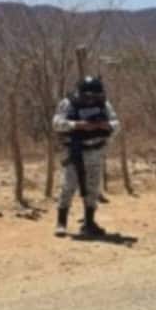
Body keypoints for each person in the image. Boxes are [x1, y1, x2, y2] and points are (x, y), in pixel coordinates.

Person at [53, 76, 120, 237]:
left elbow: (117, 124)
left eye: (95, 96)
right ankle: (61, 223)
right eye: (89, 96)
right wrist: (77, 125)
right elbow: (56, 123)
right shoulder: (68, 103)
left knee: (93, 188)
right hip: (75, 150)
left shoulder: (104, 104)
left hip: (96, 151)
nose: (92, 99)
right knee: (68, 185)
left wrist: (105, 125)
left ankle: (89, 223)